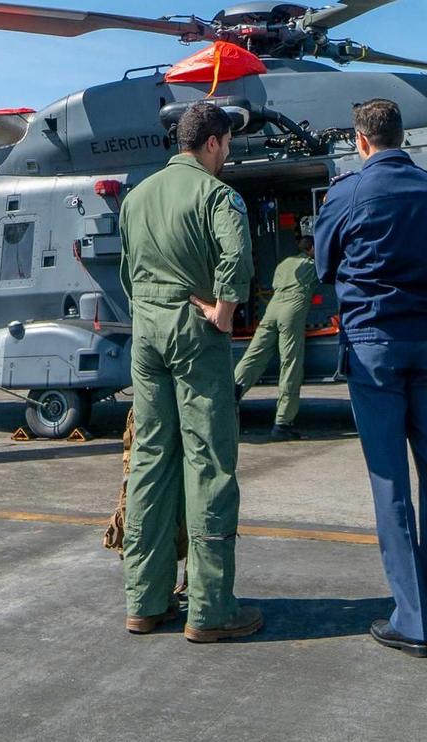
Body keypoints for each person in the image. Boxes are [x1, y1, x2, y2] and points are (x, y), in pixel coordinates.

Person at [314, 97, 427, 658]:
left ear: (360, 141)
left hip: (374, 347)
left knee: (390, 482)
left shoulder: (346, 193)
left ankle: (412, 620)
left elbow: (324, 265)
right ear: (401, 136)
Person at [116, 102, 262, 643]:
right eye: (226, 145)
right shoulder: (218, 195)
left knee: (151, 461)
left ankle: (144, 601)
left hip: (146, 330)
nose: (227, 155)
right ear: (214, 143)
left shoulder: (136, 197)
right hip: (194, 330)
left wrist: (150, 314)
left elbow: (128, 272)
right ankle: (210, 608)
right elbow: (237, 257)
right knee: (209, 462)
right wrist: (224, 310)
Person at [233, 228, 316, 441]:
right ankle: (283, 423)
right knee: (290, 364)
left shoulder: (284, 263)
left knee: (254, 354)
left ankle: (230, 396)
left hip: (272, 309)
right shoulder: (311, 264)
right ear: (312, 249)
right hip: (292, 311)